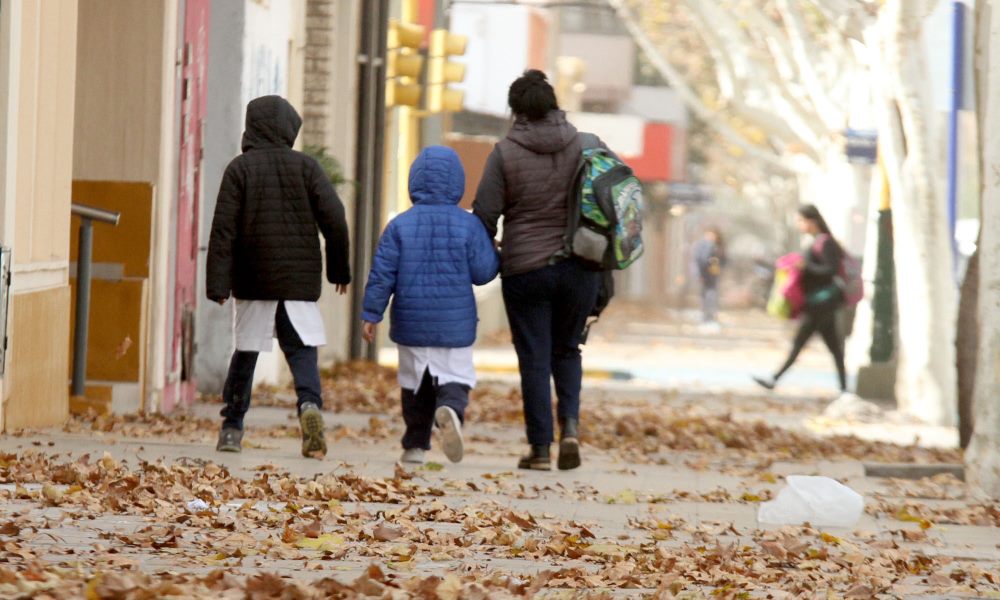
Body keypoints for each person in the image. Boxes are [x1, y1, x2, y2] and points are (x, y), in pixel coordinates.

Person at [473, 69, 615, 471]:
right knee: (568, 350)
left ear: (516, 110)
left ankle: (539, 450)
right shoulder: (586, 146)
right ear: (554, 104)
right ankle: (569, 428)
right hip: (580, 267)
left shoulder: (504, 152)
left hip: (526, 270)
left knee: (534, 358)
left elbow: (485, 213)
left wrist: (497, 249)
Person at [206, 95, 351, 459]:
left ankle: (232, 428)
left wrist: (218, 283)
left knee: (247, 352)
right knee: (301, 353)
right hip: (298, 282)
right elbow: (335, 220)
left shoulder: (240, 169)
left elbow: (223, 230)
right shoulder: (307, 168)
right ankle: (309, 407)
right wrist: (339, 270)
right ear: (289, 129)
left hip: (254, 279)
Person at [361, 146, 500, 465]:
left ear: (414, 181)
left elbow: (383, 273)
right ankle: (450, 408)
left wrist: (372, 313)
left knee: (414, 384)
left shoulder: (399, 226)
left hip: (411, 322)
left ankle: (414, 444)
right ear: (458, 182)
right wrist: (495, 253)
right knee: (456, 376)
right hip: (454, 323)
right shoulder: (469, 225)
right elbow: (482, 273)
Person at [754, 204, 847, 394]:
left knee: (800, 343)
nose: (798, 225)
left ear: (811, 221)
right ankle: (844, 388)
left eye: (800, 221)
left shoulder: (825, 243)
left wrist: (806, 267)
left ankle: (775, 378)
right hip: (817, 305)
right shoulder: (814, 242)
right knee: (834, 348)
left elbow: (830, 270)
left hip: (820, 305)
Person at [693, 227, 725, 327]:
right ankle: (706, 316)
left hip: (713, 274)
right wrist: (700, 274)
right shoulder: (702, 245)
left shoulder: (717, 246)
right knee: (706, 295)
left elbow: (724, 259)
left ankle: (710, 315)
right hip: (705, 273)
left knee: (711, 294)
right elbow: (699, 260)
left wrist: (719, 266)